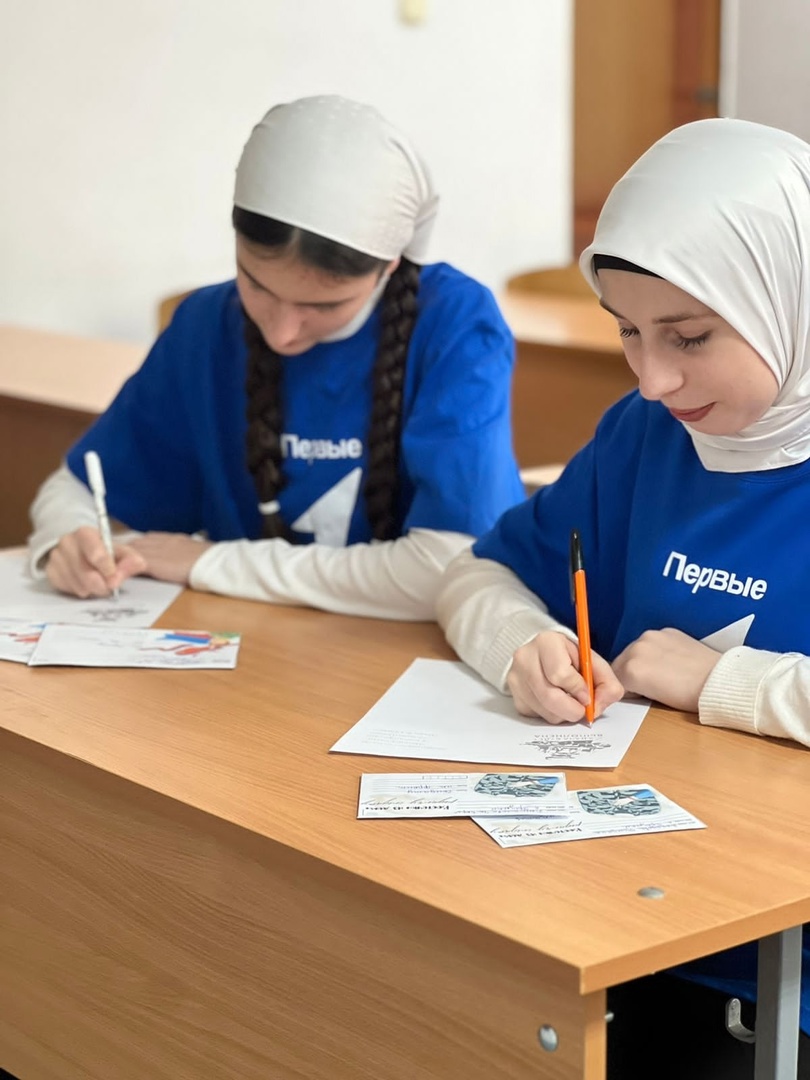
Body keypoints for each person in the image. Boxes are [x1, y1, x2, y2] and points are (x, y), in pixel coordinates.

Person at [436, 117, 810, 1077]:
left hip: (780, 980)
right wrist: (519, 644)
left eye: (689, 336)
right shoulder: (647, 435)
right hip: (620, 921)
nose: (652, 379)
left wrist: (722, 682)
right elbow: (478, 572)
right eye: (629, 333)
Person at [28, 94, 524, 619]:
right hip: (252, 644)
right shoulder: (205, 323)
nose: (283, 333)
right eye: (256, 284)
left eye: (324, 305)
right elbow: (74, 488)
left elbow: (454, 567)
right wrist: (66, 540)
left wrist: (214, 562)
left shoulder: (457, 325)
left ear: (389, 266)